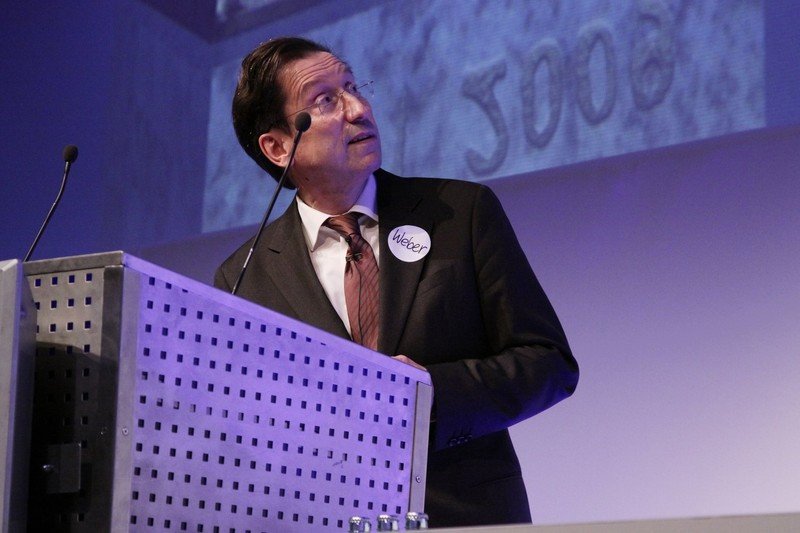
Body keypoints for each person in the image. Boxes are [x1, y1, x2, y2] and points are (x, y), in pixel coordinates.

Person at [214, 36, 579, 528]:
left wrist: (428, 395)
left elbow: (549, 363)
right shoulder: (246, 276)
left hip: (463, 516)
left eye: (352, 87)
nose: (358, 109)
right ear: (278, 147)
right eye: (326, 100)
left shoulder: (459, 213)